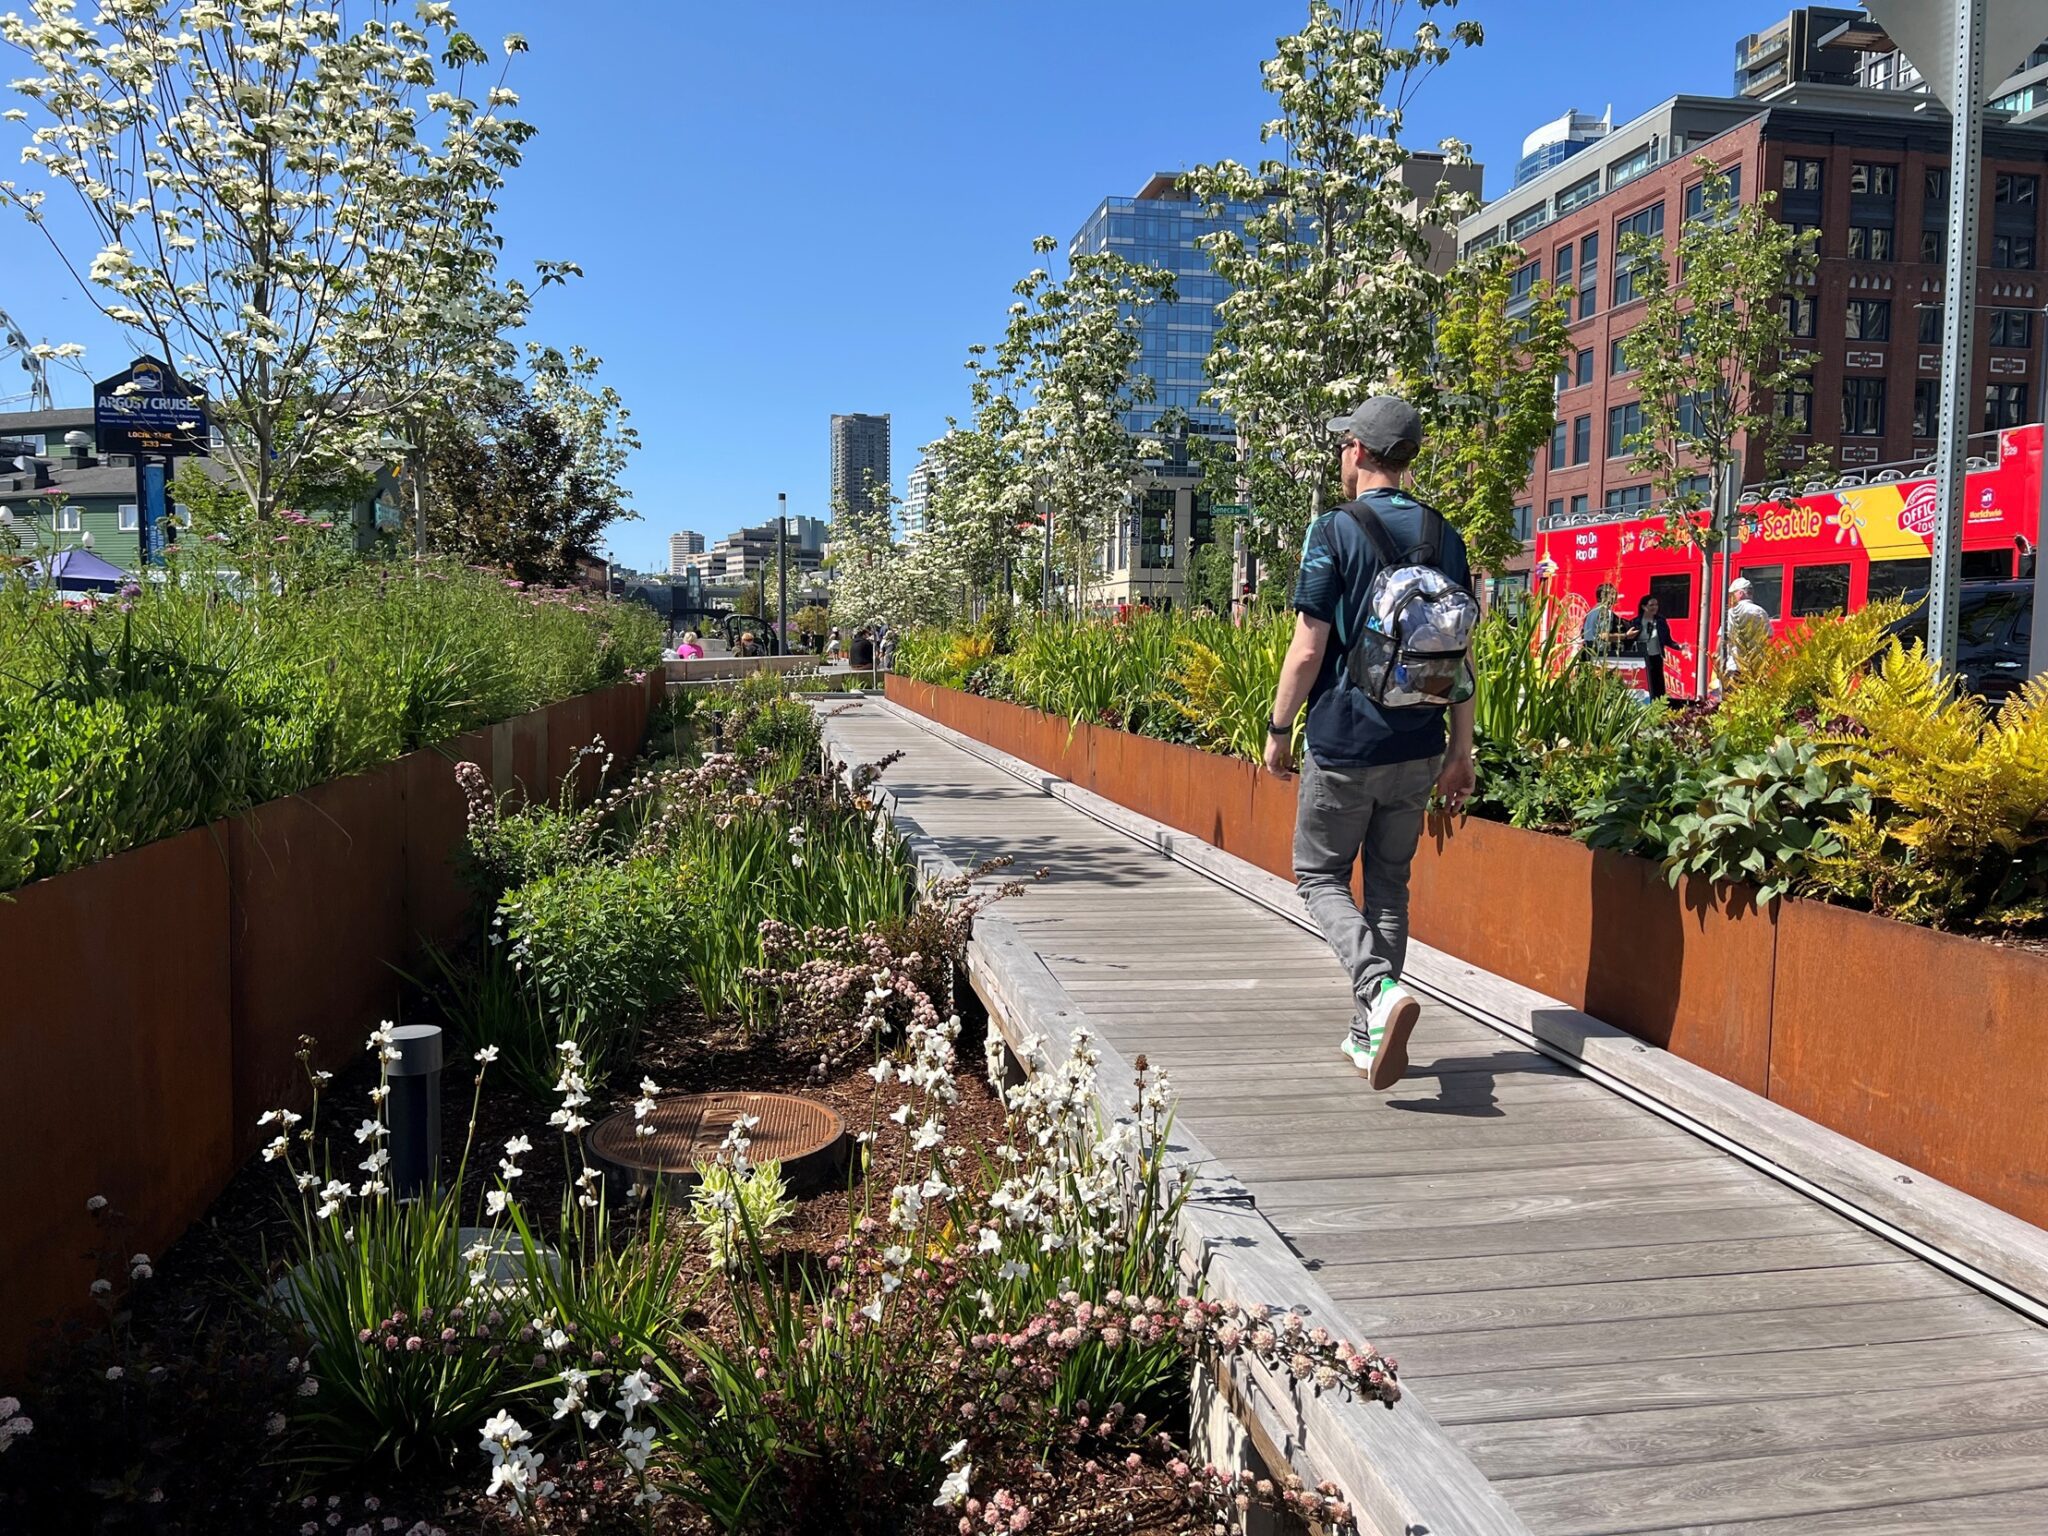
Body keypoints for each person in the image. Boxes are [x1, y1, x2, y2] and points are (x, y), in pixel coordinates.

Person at [1264, 396, 1477, 1092]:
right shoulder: (1448, 537)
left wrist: (1277, 730)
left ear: (1357, 450)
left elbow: (1307, 647)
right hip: (1421, 740)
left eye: (1343, 445)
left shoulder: (1333, 530)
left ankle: (1377, 992)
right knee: (1389, 883)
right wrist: (1460, 752)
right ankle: (1368, 1034)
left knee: (1319, 875)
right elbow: (1461, 654)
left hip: (1346, 739)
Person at [1633, 596, 1682, 700]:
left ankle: (1658, 707)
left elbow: (1667, 640)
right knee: (1643, 684)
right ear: (1644, 607)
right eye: (1651, 605)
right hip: (1641, 658)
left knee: (1658, 684)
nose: (1655, 607)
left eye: (1656, 605)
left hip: (1656, 657)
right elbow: (1630, 640)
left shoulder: (1661, 621)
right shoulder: (1636, 622)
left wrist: (1679, 647)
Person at [1721, 578, 1771, 677]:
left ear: (1741, 593)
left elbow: (1722, 638)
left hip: (1736, 665)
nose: (1732, 598)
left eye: (1733, 594)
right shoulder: (1761, 611)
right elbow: (1769, 635)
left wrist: (1717, 658)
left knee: (1732, 691)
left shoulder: (1732, 612)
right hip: (1756, 666)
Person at [1580, 583, 1632, 657]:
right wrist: (1626, 635)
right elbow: (1603, 636)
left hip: (1589, 652)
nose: (1616, 596)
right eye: (1613, 593)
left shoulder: (1591, 611)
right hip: (1599, 654)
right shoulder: (1604, 611)